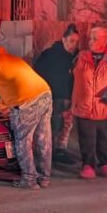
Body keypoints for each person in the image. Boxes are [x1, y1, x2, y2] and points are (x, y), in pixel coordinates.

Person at [0, 43, 53, 189]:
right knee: (43, 139)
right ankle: (44, 178)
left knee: (23, 141)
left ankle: (29, 180)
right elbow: (8, 84)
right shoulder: (9, 59)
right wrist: (4, 106)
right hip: (45, 93)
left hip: (27, 101)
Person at [71, 25, 107, 179]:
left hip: (106, 106)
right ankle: (88, 165)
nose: (90, 41)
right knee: (86, 138)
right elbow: (71, 75)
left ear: (105, 40)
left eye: (94, 38)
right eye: (90, 38)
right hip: (84, 105)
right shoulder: (81, 56)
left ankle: (104, 164)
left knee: (105, 138)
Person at [33, 24, 80, 162]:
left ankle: (60, 151)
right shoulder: (50, 54)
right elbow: (39, 73)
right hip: (54, 96)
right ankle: (49, 153)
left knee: (66, 126)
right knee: (54, 125)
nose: (74, 45)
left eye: (76, 42)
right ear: (64, 39)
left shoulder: (75, 56)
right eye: (71, 41)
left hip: (69, 97)